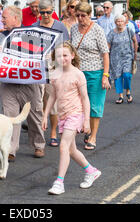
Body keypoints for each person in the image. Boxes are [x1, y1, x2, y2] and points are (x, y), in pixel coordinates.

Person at [42, 42, 101, 195]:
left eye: (66, 55)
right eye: (59, 56)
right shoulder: (55, 74)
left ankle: (59, 182)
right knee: (72, 150)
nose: (63, 59)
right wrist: (45, 115)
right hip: (63, 116)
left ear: (72, 56)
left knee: (63, 146)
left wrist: (86, 120)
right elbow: (52, 96)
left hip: (75, 114)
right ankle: (91, 171)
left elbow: (85, 98)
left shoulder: (78, 74)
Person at [0, 6, 46, 159]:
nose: (1, 20)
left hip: (29, 83)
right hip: (8, 84)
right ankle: (9, 150)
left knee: (35, 115)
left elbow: (41, 55)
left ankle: (38, 145)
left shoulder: (31, 35)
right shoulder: (2, 37)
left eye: (4, 18)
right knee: (9, 117)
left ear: (15, 18)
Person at [70, 2, 110, 151]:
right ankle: (84, 129)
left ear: (89, 15)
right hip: (78, 72)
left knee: (94, 105)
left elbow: (105, 54)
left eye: (83, 16)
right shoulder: (74, 29)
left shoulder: (97, 30)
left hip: (95, 72)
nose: (80, 18)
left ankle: (93, 136)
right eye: (78, 15)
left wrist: (105, 75)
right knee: (77, 105)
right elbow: (71, 49)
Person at [32, 0, 69, 147]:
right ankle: (38, 135)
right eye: (42, 12)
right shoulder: (34, 27)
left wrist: (55, 55)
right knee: (37, 103)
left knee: (52, 102)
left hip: (54, 68)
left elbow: (66, 47)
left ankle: (53, 132)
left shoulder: (60, 26)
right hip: (37, 69)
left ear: (53, 11)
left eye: (48, 12)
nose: (46, 15)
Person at [107, 15, 138, 104]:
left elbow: (135, 41)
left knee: (127, 75)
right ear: (115, 22)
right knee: (117, 77)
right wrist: (105, 57)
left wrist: (135, 52)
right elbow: (108, 46)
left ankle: (128, 91)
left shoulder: (129, 30)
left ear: (124, 22)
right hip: (115, 58)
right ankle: (120, 96)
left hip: (127, 57)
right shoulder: (112, 33)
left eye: (121, 21)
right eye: (118, 21)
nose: (119, 23)